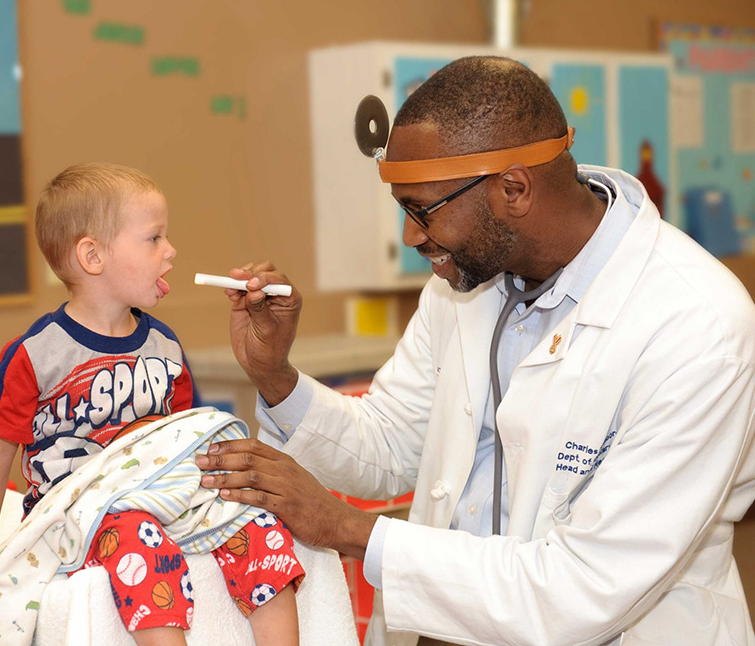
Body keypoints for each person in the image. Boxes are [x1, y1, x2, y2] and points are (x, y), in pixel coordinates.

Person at [195, 56, 755, 645]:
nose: (411, 236)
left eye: (423, 209)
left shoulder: (698, 329)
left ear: (513, 189)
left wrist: (347, 529)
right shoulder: (467, 282)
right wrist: (275, 375)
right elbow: (389, 444)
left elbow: (582, 590)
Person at [0, 163, 303, 646]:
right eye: (154, 238)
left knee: (259, 521)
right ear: (92, 256)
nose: (171, 251)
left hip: (167, 495)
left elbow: (187, 439)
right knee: (138, 537)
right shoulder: (34, 354)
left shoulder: (165, 346)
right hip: (80, 511)